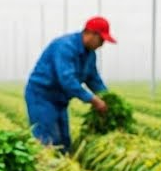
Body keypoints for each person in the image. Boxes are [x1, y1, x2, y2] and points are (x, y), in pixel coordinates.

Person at [24, 16, 115, 152]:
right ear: (89, 33)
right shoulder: (65, 47)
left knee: (64, 142)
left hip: (60, 100)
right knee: (47, 141)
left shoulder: (90, 54)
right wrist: (92, 99)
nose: (102, 44)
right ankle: (43, 170)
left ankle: (62, 164)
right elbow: (67, 80)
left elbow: (93, 79)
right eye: (101, 39)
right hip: (42, 97)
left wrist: (107, 97)